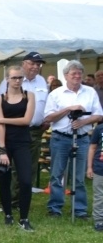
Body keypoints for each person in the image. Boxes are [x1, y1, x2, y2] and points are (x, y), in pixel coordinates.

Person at [43, 60, 103, 218]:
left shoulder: (90, 92)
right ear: (65, 76)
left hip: (82, 138)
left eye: (79, 73)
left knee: (79, 176)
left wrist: (83, 121)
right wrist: (68, 109)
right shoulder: (56, 94)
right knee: (57, 174)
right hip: (60, 138)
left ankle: (80, 209)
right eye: (73, 73)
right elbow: (48, 117)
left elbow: (99, 114)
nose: (77, 76)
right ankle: (55, 207)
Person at [0, 52, 50, 188]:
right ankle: (10, 201)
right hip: (13, 132)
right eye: (32, 63)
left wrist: (47, 119)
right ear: (23, 64)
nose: (35, 67)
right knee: (13, 167)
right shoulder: (10, 81)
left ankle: (23, 199)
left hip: (36, 130)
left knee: (29, 168)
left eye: (38, 64)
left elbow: (47, 103)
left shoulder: (42, 81)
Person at [0, 65, 36, 230]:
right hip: (4, 142)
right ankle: (8, 214)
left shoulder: (29, 96)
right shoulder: (0, 99)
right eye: (14, 78)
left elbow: (26, 120)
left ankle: (24, 218)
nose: (17, 81)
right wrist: (2, 149)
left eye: (20, 78)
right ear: (7, 79)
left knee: (25, 180)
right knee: (5, 178)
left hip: (22, 142)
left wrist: (3, 120)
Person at [86, 121, 103, 232]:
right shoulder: (99, 129)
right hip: (100, 167)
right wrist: (89, 167)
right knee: (99, 195)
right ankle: (99, 221)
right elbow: (92, 148)